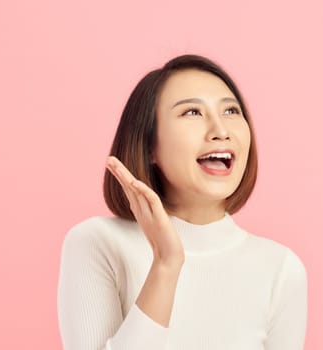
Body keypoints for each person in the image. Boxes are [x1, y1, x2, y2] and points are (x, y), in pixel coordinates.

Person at [57, 54, 308, 350]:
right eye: (192, 113)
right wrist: (166, 263)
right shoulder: (98, 243)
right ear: (150, 145)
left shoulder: (281, 269)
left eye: (231, 111)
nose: (221, 131)